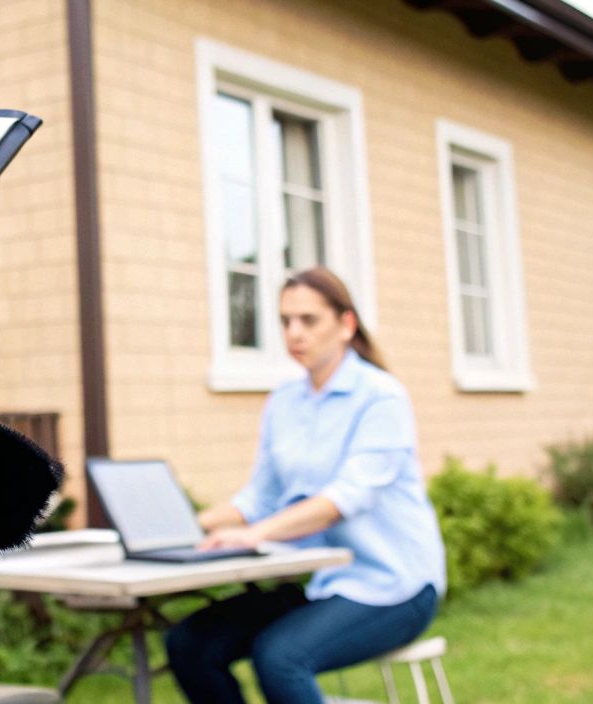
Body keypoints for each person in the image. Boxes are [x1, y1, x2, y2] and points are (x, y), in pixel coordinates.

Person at [166, 267, 446, 704]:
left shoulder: (381, 397)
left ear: (346, 324)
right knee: (191, 643)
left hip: (395, 585)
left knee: (280, 657)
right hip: (320, 582)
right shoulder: (283, 402)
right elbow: (258, 498)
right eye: (285, 321)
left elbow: (341, 500)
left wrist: (255, 534)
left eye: (308, 320)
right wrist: (181, 526)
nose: (294, 333)